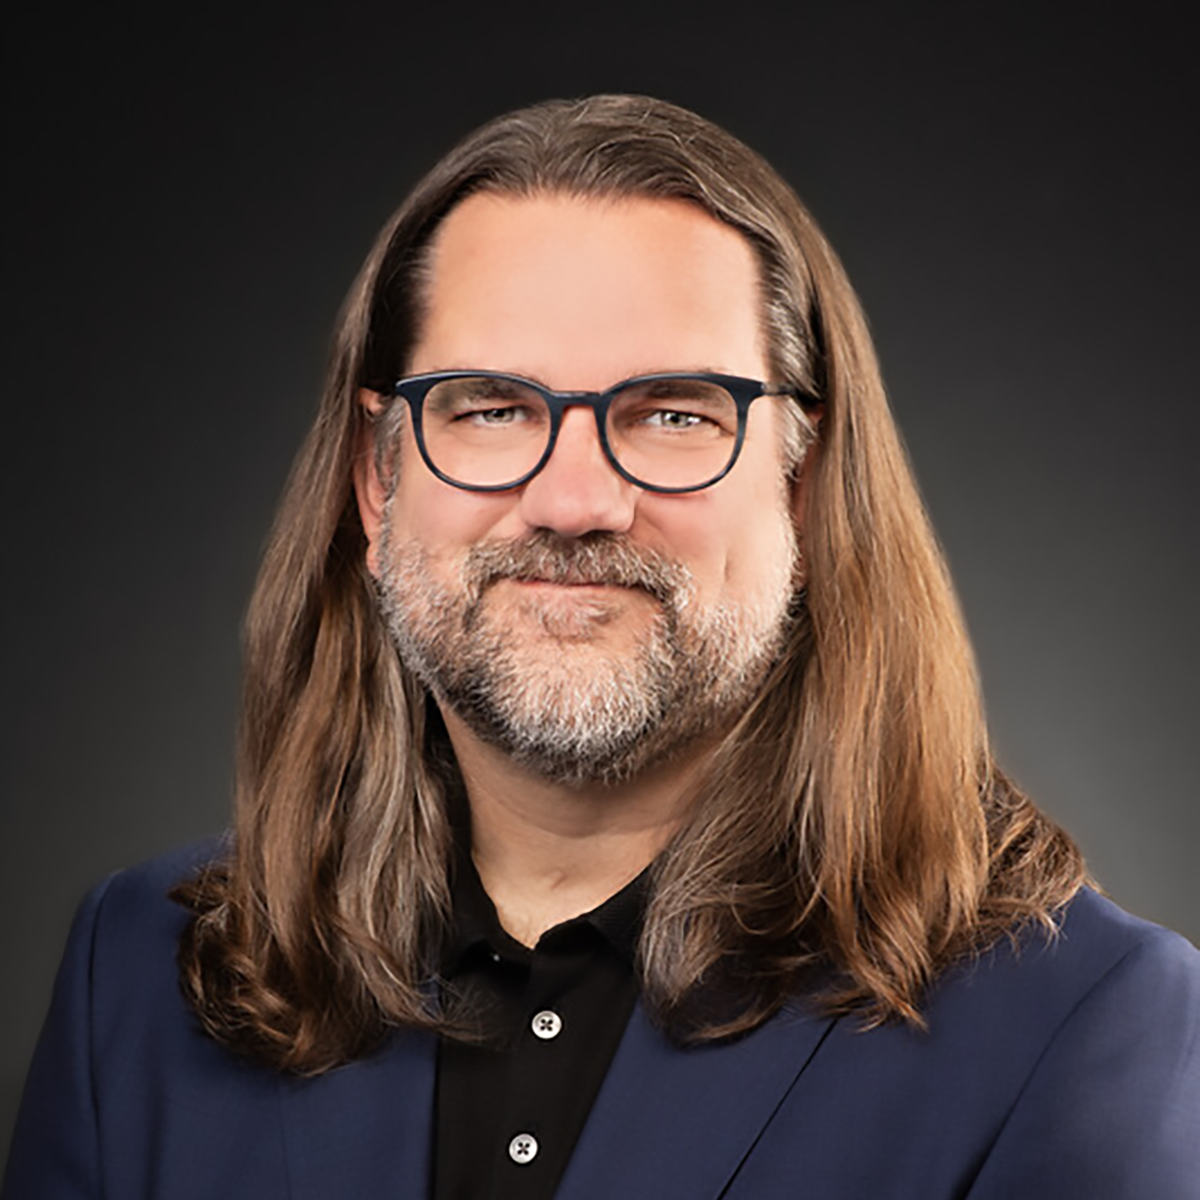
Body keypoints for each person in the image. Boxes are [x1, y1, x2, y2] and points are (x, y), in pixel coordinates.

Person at [6, 94, 1198, 1200]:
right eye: (490, 408)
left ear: (806, 488)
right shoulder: (140, 980)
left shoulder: (1075, 1022)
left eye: (673, 413)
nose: (573, 502)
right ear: (376, 482)